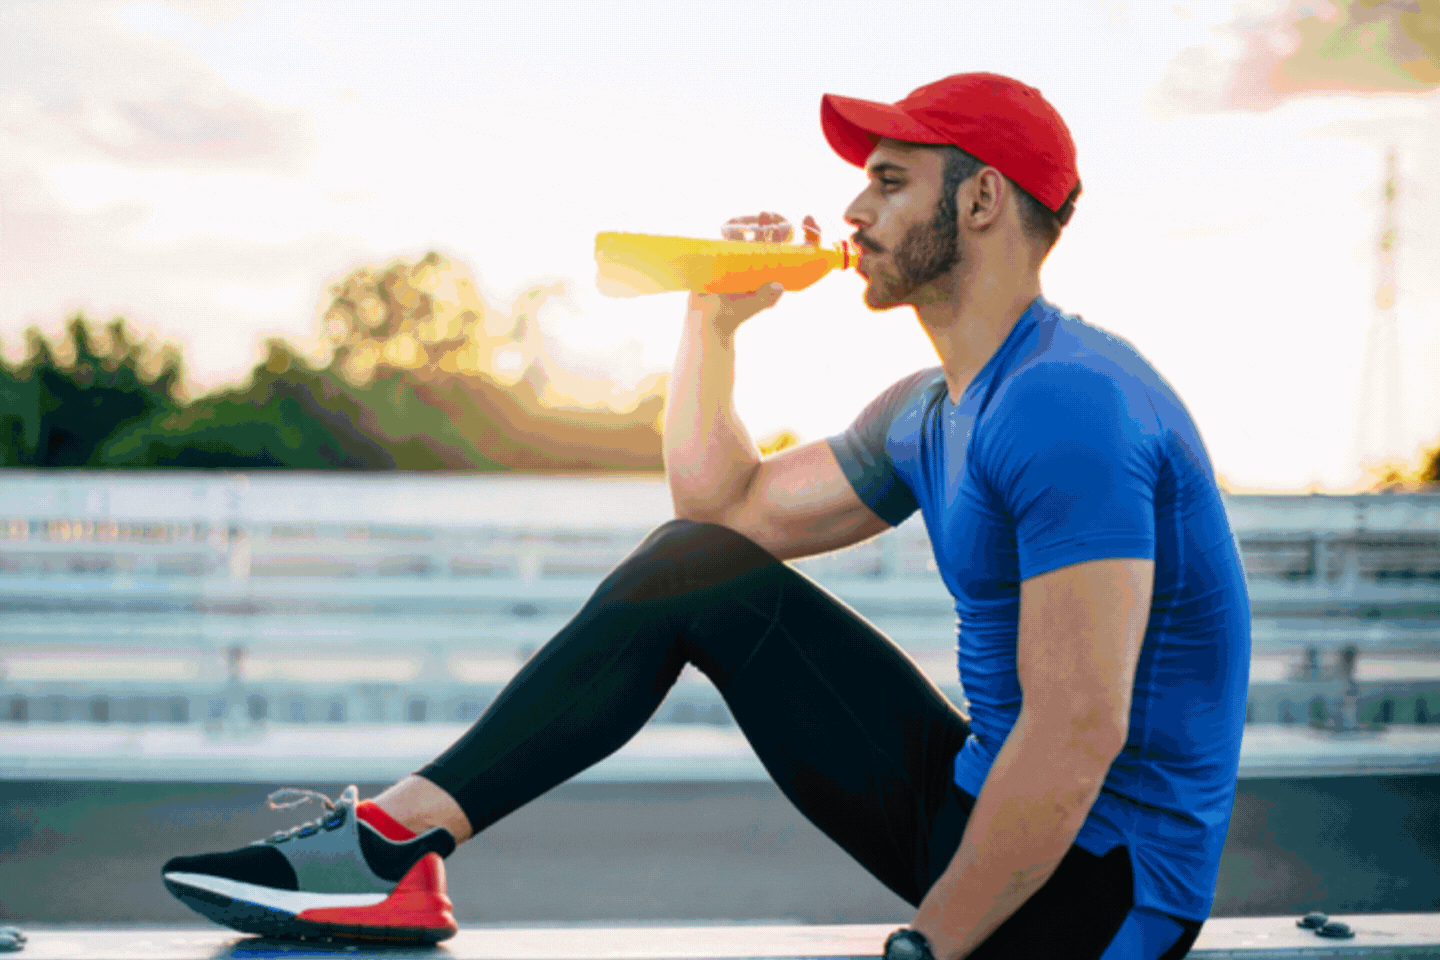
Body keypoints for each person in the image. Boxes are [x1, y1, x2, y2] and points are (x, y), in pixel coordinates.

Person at [162, 72, 1251, 959]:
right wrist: (713, 324)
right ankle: (391, 849)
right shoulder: (933, 410)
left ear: (979, 202)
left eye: (888, 182)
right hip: (983, 812)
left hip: (1098, 890)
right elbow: (719, 519)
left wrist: (932, 948)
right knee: (692, 567)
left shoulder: (1070, 402)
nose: (855, 213)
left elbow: (1077, 731)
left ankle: (381, 853)